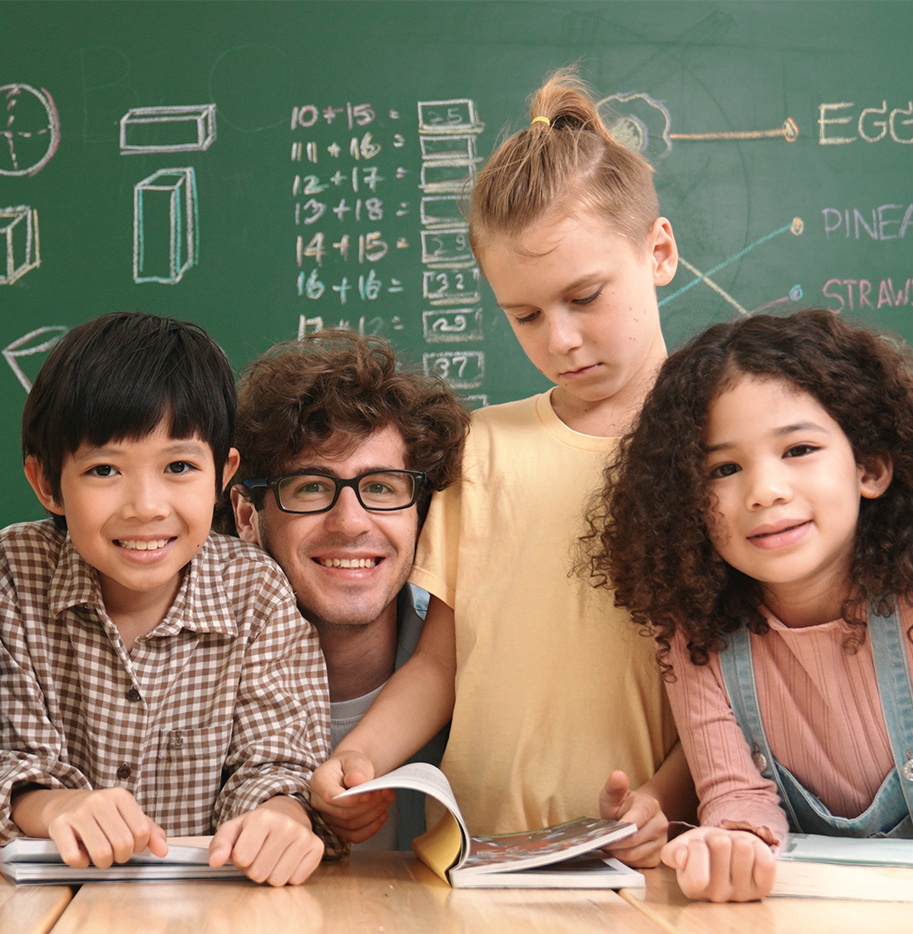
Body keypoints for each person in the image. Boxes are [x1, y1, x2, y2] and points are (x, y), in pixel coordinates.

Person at [312, 68, 691, 867]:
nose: (558, 339)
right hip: (471, 860)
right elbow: (444, 659)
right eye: (523, 314)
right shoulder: (481, 449)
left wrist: (665, 800)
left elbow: (738, 680)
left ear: (657, 253)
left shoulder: (717, 455)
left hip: (649, 860)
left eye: (584, 296)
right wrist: (364, 756)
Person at [1, 311, 340, 886]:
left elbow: (275, 762)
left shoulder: (254, 593)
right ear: (47, 484)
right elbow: (9, 754)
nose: (146, 506)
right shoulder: (12, 577)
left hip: (215, 910)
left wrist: (280, 817)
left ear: (222, 475)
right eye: (104, 469)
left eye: (179, 466)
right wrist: (55, 807)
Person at [585, 308, 913, 901]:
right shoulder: (692, 625)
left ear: (869, 467)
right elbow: (736, 795)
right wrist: (730, 841)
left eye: (799, 449)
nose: (764, 492)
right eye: (724, 469)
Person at [223, 329, 470, 849]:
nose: (351, 521)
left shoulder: (477, 674)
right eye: (311, 486)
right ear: (248, 515)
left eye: (382, 487)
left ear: (422, 514)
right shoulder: (183, 678)